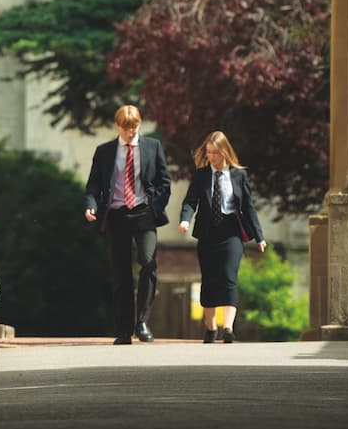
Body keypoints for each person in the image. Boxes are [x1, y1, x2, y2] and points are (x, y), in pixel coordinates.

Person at [84, 105, 172, 344]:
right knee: (121, 274)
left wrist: (155, 208)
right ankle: (124, 330)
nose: (131, 132)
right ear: (117, 126)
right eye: (126, 128)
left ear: (139, 125)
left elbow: (165, 182)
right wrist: (91, 204)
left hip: (144, 213)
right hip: (116, 215)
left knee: (148, 262)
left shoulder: (152, 147)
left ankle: (141, 322)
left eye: (134, 127)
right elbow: (93, 185)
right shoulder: (104, 151)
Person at [178, 131, 265, 344]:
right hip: (208, 233)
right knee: (209, 279)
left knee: (228, 277)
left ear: (224, 151)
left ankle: (227, 327)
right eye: (208, 153)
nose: (211, 157)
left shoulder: (238, 175)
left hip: (231, 231)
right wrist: (185, 220)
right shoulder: (201, 176)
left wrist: (259, 236)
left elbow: (248, 207)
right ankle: (210, 327)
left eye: (215, 153)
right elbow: (190, 201)